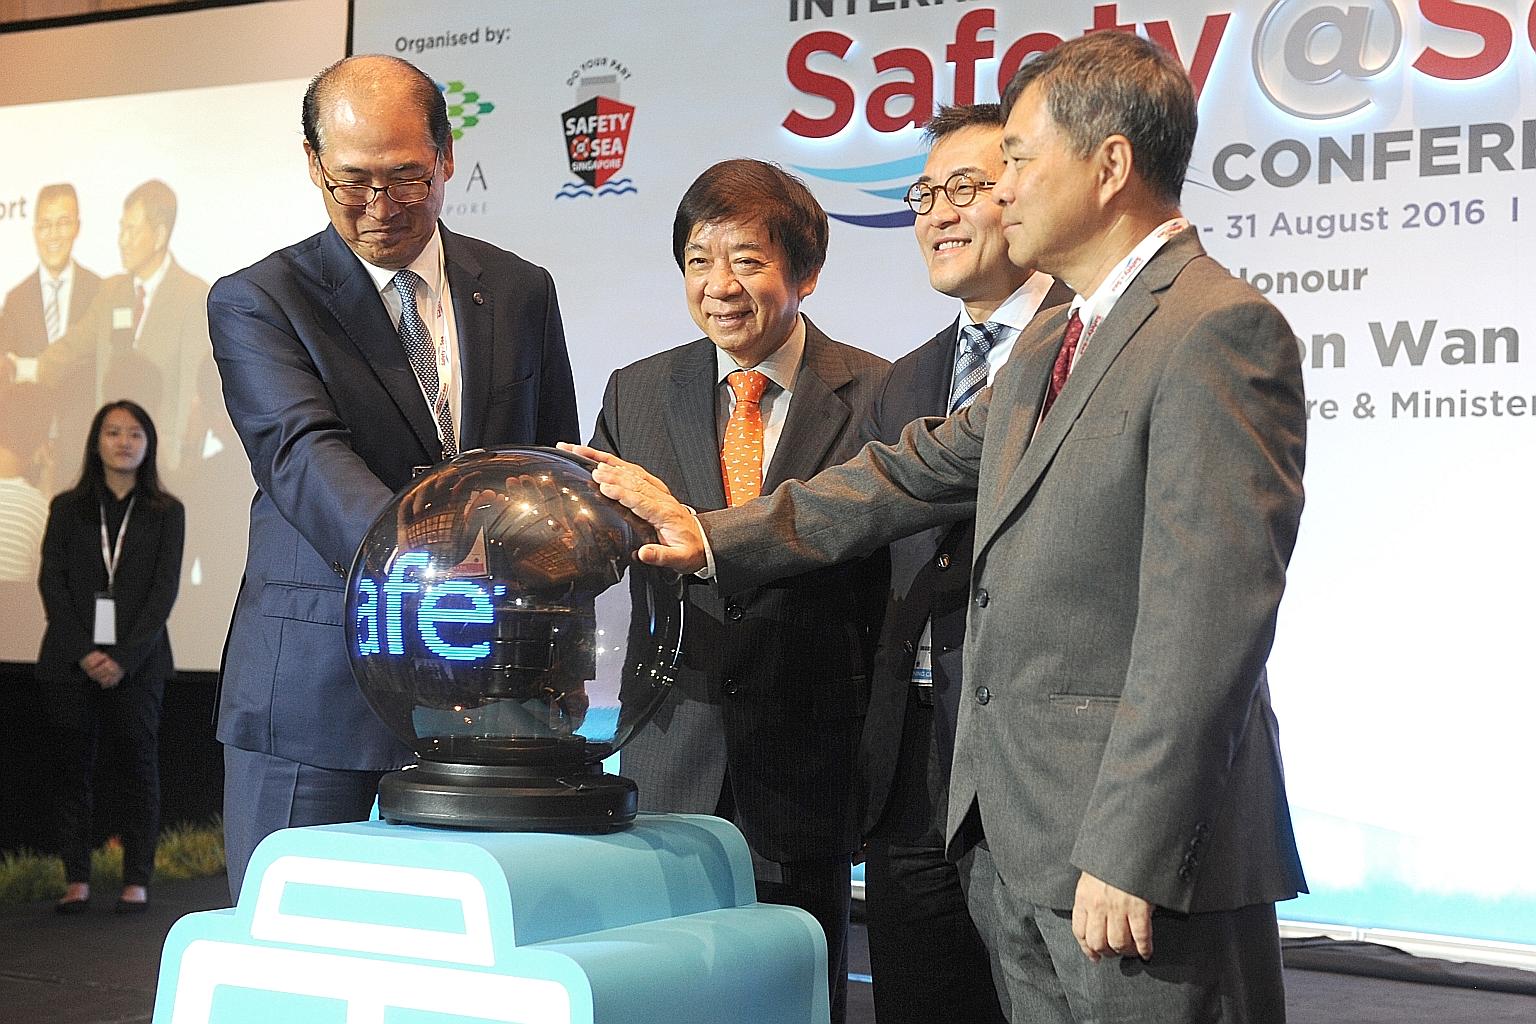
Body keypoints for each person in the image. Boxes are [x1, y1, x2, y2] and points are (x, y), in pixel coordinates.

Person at [568, 31, 1308, 1024]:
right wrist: (710, 534)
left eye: (1018, 164)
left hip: (1128, 859)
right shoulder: (1059, 335)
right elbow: (902, 476)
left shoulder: (1213, 328)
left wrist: (1132, 845)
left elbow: (1208, 623)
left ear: (1110, 166)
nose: (998, 197)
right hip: (1014, 837)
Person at [211, 54, 578, 900]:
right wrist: (432, 575)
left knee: (464, 953)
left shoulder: (520, 290)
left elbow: (546, 465)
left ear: (448, 157)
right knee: (297, 950)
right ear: (313, 165)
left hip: (490, 696)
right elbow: (303, 455)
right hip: (316, 692)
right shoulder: (260, 299)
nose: (379, 210)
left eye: (406, 179)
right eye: (351, 184)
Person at [587, 158, 889, 1024]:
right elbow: (612, 557)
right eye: (697, 260)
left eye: (748, 261)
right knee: (667, 992)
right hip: (671, 750)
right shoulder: (636, 391)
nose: (719, 287)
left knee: (793, 993)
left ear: (806, 273)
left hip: (808, 758)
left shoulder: (877, 391)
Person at [860, 103, 1071, 1024]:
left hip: (1035, 763)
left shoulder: (1091, 341)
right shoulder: (901, 378)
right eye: (924, 194)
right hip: (914, 762)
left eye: (965, 190)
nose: (939, 215)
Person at [36, 400, 185, 915]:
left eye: (135, 433)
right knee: (72, 769)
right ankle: (76, 878)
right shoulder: (66, 507)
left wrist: (121, 656)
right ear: (95, 441)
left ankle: (136, 880)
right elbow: (51, 585)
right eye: (113, 432)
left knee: (138, 767)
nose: (124, 442)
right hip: (69, 661)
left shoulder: (166, 512)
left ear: (149, 444)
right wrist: (85, 652)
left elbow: (163, 592)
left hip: (139, 665)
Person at [37, 181, 210, 471]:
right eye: (121, 228)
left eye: (131, 230)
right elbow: (72, 346)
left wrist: (180, 459)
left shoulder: (192, 297)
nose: (122, 240)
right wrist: (23, 369)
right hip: (107, 462)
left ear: (159, 235)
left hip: (162, 463)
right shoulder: (111, 292)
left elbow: (192, 392)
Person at [0, 183, 102, 491]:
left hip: (87, 448)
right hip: (29, 455)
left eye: (62, 223)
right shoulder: (16, 300)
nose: (53, 235)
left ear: (77, 227)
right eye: (45, 225)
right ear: (34, 231)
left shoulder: (100, 291)